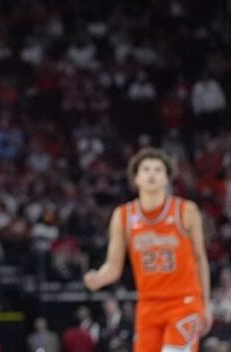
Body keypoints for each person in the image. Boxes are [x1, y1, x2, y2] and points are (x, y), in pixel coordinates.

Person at [84, 147, 212, 351]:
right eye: (146, 169)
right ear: (135, 178)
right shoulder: (123, 215)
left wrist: (205, 303)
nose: (152, 174)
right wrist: (98, 278)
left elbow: (200, 258)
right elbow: (114, 266)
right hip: (148, 305)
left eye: (158, 170)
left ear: (167, 178)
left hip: (184, 301)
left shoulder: (185, 211)